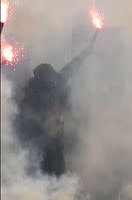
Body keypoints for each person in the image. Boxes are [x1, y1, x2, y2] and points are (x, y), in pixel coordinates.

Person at [16, 32, 98, 176]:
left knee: (59, 172)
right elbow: (27, 122)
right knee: (43, 173)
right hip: (39, 143)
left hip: (55, 140)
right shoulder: (31, 96)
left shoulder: (54, 84)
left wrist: (85, 53)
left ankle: (60, 194)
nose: (52, 80)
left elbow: (70, 68)